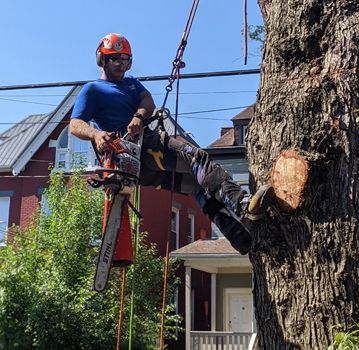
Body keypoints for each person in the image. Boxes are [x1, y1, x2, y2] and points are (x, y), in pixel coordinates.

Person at [70, 33, 273, 255]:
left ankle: (239, 237)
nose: (121, 65)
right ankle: (240, 203)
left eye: (126, 60)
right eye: (116, 59)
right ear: (102, 59)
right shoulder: (92, 89)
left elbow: (148, 101)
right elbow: (75, 124)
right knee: (198, 158)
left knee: (196, 185)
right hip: (130, 152)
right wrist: (96, 134)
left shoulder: (131, 84)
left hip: (142, 151)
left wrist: (138, 116)